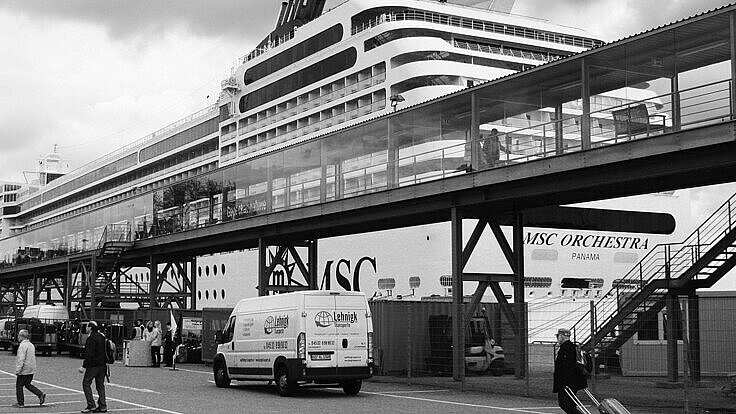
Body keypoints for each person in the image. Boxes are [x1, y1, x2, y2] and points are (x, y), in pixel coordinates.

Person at [553, 328, 587, 414]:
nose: (557, 338)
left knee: (564, 403)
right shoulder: (574, 347)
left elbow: (566, 367)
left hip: (567, 382)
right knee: (570, 403)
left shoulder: (565, 349)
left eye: (558, 336)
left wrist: (564, 383)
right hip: (574, 381)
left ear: (561, 336)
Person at [79, 321, 107, 413]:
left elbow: (89, 354)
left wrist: (83, 366)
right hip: (103, 365)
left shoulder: (91, 338)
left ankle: (91, 405)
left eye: (87, 326)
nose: (86, 328)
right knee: (100, 385)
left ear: (90, 328)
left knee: (86, 383)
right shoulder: (102, 337)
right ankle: (103, 406)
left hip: (93, 366)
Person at [14, 329, 46, 408]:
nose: (18, 337)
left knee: (19, 385)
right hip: (31, 368)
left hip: (24, 369)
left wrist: (18, 370)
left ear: (22, 336)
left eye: (19, 335)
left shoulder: (22, 345)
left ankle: (20, 403)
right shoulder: (31, 345)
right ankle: (40, 394)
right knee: (27, 384)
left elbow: (21, 358)